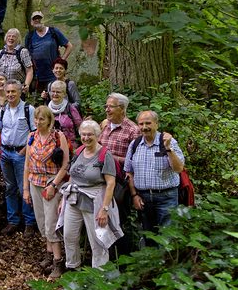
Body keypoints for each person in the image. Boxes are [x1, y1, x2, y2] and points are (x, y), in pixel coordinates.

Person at [59, 120, 123, 271]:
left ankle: (99, 275)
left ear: (97, 135)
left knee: (97, 240)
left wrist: (104, 209)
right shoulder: (79, 150)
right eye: (83, 134)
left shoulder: (104, 155)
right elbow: (72, 176)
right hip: (74, 199)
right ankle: (73, 268)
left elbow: (110, 183)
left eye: (90, 135)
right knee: (69, 235)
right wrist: (63, 200)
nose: (86, 138)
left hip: (95, 201)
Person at [23, 105, 70, 279]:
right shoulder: (31, 137)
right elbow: (27, 164)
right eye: (36, 118)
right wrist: (26, 190)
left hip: (51, 182)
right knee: (42, 221)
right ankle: (49, 254)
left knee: (52, 222)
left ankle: (58, 260)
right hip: (35, 182)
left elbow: (65, 164)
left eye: (42, 118)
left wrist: (54, 185)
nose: (38, 122)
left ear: (49, 120)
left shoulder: (58, 137)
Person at [124, 110, 185, 235]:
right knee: (148, 235)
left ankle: (166, 255)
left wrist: (168, 149)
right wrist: (134, 195)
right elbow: (129, 172)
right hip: (143, 199)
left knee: (167, 236)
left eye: (148, 123)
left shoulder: (169, 142)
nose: (144, 127)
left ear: (156, 124)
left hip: (166, 198)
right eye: (141, 124)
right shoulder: (135, 145)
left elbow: (178, 168)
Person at [98, 92, 140, 255]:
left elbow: (135, 161)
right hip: (101, 181)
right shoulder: (105, 126)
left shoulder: (132, 130)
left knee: (118, 222)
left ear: (122, 109)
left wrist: (110, 157)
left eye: (111, 107)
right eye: (106, 106)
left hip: (120, 184)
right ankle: (105, 256)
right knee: (102, 220)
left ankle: (122, 259)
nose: (107, 110)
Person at [0, 79, 37, 236]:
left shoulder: (28, 109)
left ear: (20, 92)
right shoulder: (3, 110)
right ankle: (13, 221)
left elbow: (34, 132)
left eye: (13, 91)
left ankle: (29, 223)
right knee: (9, 188)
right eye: (8, 92)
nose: (10, 94)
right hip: (5, 153)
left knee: (23, 188)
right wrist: (0, 149)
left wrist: (25, 150)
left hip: (21, 154)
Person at [25, 12, 73, 96]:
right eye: (34, 19)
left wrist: (61, 61)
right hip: (37, 76)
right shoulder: (30, 36)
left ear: (43, 19)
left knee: (55, 97)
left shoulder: (53, 31)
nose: (37, 20)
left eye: (39, 18)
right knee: (39, 101)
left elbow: (69, 46)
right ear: (31, 22)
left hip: (54, 74)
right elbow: (26, 55)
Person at [0, 29, 33, 95]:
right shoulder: (1, 52)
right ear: (6, 38)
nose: (11, 38)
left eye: (14, 36)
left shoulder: (23, 52)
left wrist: (26, 85)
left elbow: (29, 70)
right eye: (9, 36)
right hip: (1, 90)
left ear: (18, 39)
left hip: (16, 90)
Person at [48, 80, 82, 151]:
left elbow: (80, 127)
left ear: (64, 94)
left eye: (58, 92)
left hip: (70, 147)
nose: (55, 94)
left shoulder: (70, 108)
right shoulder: (47, 109)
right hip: (50, 147)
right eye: (53, 91)